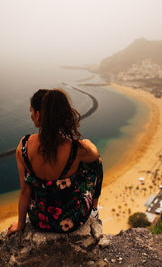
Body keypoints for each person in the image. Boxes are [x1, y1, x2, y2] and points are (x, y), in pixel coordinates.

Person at [7, 89, 103, 235]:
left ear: (38, 115)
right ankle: (94, 209)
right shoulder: (76, 149)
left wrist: (21, 224)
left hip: (39, 220)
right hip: (71, 220)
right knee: (96, 163)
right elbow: (95, 155)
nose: (31, 115)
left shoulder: (24, 146)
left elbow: (25, 190)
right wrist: (85, 142)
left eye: (31, 111)